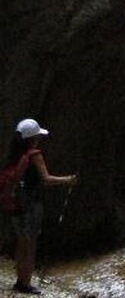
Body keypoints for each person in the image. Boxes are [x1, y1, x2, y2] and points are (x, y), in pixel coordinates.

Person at [7, 118, 78, 295]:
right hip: (31, 204)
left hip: (15, 202)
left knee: (21, 242)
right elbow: (46, 179)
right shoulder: (34, 154)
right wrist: (68, 180)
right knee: (30, 245)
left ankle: (19, 280)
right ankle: (26, 284)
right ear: (33, 137)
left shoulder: (14, 154)